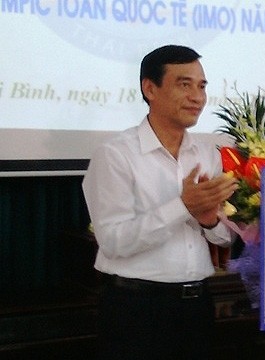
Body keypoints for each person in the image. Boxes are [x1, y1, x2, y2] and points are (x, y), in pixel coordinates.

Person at [82, 45, 239, 359]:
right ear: (149, 88)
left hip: (197, 306)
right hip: (136, 311)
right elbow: (112, 242)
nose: (197, 96)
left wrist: (209, 220)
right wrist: (182, 207)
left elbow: (225, 236)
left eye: (202, 86)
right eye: (185, 85)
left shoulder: (208, 153)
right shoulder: (116, 153)